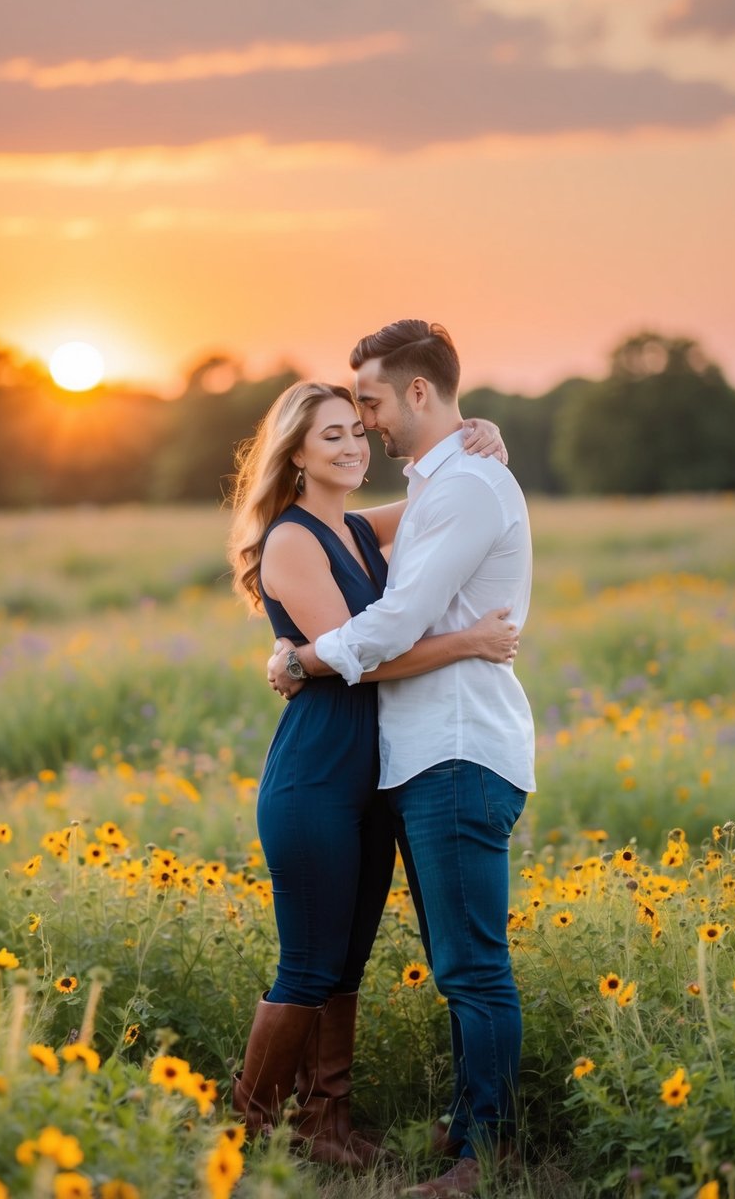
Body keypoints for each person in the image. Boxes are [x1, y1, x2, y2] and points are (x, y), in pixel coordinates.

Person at [267, 321, 534, 1199]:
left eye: (369, 406)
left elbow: (396, 620)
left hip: (454, 750)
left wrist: (304, 659)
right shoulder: (429, 489)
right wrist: (477, 432)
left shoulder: (457, 488)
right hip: (406, 759)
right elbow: (395, 586)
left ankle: (478, 1157)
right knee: (443, 964)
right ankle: (444, 1133)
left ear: (417, 393)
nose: (366, 427)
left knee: (469, 967)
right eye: (340, 424)